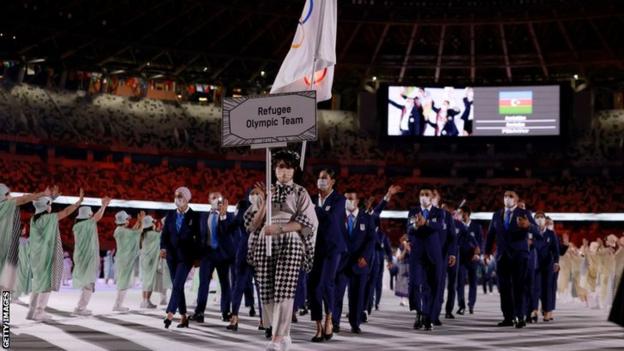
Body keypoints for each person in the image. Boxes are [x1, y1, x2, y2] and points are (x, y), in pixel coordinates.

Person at [246, 149, 318, 351]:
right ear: (274, 169)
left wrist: (279, 228)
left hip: (289, 239)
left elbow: (307, 222)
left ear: (294, 170)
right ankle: (282, 334)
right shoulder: (266, 191)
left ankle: (277, 338)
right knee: (266, 289)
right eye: (280, 167)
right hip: (265, 240)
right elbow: (252, 225)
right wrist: (265, 201)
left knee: (284, 289)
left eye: (288, 167)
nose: (283, 172)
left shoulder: (300, 192)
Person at [27, 188, 84, 321]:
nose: (51, 207)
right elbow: (65, 212)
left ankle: (32, 311)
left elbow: (42, 205)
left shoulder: (33, 219)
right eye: (50, 205)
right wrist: (78, 203)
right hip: (46, 256)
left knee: (37, 284)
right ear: (46, 207)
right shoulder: (49, 218)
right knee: (45, 284)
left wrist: (51, 199)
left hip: (36, 256)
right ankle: (39, 312)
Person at [485, 190, 537, 329]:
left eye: (511, 196)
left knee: (518, 287)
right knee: (504, 288)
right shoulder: (497, 215)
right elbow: (490, 234)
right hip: (502, 256)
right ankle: (508, 317)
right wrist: (486, 252)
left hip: (519, 255)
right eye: (505, 196)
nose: (507, 198)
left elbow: (537, 231)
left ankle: (520, 317)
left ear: (516, 199)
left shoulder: (524, 213)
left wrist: (529, 226)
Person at [332, 189, 376, 335]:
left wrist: (365, 256)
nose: (348, 201)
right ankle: (334, 322)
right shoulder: (338, 217)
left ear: (357, 201)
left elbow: (371, 240)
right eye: (346, 199)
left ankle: (355, 323)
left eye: (351, 198)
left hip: (360, 263)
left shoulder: (367, 218)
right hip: (341, 263)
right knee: (337, 294)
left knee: (357, 295)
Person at [161, 186, 202, 328]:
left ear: (186, 199)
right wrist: (162, 248)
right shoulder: (170, 215)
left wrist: (197, 257)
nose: (177, 199)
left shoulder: (195, 216)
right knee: (177, 286)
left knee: (178, 284)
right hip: (171, 256)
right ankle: (184, 316)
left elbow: (199, 239)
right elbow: (164, 234)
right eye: (175, 196)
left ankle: (170, 314)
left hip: (186, 257)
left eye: (180, 197)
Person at [191, 191, 234, 323]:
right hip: (207, 255)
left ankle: (225, 312)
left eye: (219, 197)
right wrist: (197, 256)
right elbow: (198, 237)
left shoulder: (229, 215)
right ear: (209, 200)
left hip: (222, 255)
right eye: (214, 198)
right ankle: (199, 312)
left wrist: (223, 216)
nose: (217, 199)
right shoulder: (202, 216)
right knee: (203, 284)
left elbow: (228, 234)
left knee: (225, 284)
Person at [0, 183, 52, 293]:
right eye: (7, 193)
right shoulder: (5, 205)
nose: (10, 195)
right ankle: (6, 309)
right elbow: (24, 199)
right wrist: (43, 193)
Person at [407, 188, 445, 331]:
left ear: (431, 197)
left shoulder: (439, 212)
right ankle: (418, 312)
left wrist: (426, 222)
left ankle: (428, 317)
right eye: (421, 194)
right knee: (414, 284)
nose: (423, 197)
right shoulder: (413, 211)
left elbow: (440, 226)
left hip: (434, 255)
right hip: (417, 254)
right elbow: (409, 229)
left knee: (432, 287)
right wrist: (416, 225)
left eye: (426, 195)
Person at [72, 197, 111, 316]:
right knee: (89, 283)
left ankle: (80, 306)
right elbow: (97, 217)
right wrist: (103, 206)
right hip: (87, 258)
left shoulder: (77, 227)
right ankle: (81, 308)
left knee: (86, 283)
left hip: (81, 257)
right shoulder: (86, 224)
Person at [228, 195, 256, 331]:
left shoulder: (242, 212)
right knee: (258, 285)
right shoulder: (261, 210)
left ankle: (235, 317)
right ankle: (263, 320)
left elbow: (231, 227)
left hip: (246, 250)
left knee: (239, 285)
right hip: (254, 250)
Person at [113, 209, 144, 312]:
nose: (128, 221)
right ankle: (118, 305)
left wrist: (138, 222)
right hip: (125, 259)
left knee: (123, 281)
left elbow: (133, 232)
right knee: (123, 282)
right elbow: (137, 232)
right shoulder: (122, 231)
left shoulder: (120, 230)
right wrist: (142, 221)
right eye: (127, 219)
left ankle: (118, 304)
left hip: (122, 258)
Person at [532, 212, 560, 322]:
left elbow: (556, 250)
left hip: (548, 265)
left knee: (547, 288)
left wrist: (556, 262)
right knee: (535, 288)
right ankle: (534, 310)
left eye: (541, 217)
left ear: (544, 220)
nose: (539, 219)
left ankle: (547, 312)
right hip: (535, 264)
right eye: (537, 217)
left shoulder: (551, 234)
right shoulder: (531, 233)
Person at [456, 205, 483, 315]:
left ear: (466, 213)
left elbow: (481, 242)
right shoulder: (457, 225)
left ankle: (471, 304)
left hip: (472, 258)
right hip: (460, 258)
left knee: (473, 282)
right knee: (460, 282)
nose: (459, 215)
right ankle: (461, 306)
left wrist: (478, 253)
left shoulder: (476, 227)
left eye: (461, 213)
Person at [139, 215, 164, 309]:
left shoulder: (144, 234)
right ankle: (147, 301)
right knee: (149, 281)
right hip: (151, 261)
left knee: (146, 281)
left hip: (144, 260)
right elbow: (162, 234)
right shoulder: (153, 234)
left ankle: (145, 301)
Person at [395, 235, 411, 306]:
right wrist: (404, 249)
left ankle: (410, 298)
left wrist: (408, 248)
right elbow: (399, 257)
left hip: (410, 266)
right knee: (402, 283)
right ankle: (402, 299)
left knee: (409, 283)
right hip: (402, 266)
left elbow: (413, 255)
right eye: (405, 240)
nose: (405, 242)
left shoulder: (411, 247)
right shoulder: (400, 248)